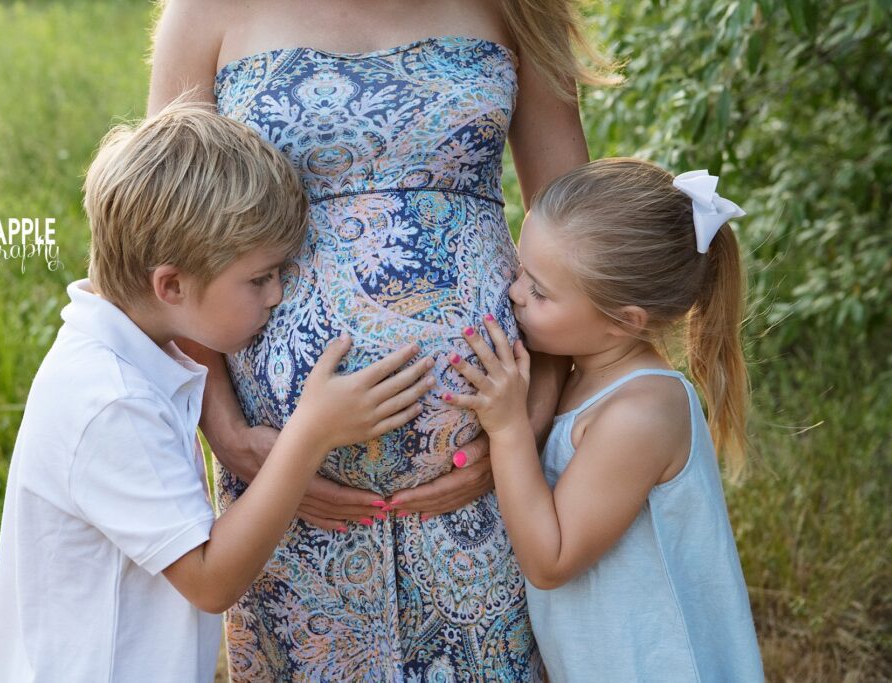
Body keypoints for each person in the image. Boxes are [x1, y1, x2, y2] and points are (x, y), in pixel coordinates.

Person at [147, 1, 616, 678]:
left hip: (485, 480)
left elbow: (576, 226)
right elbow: (169, 237)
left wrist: (526, 427)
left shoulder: (517, 6)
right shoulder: (206, 14)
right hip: (289, 485)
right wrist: (229, 434)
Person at [0, 101, 435, 682]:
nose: (274, 296)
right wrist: (311, 433)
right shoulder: (112, 399)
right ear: (171, 285)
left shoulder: (132, 356)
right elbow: (210, 580)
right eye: (259, 278)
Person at [445, 158, 766, 682]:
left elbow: (552, 561)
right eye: (521, 271)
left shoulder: (641, 413)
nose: (515, 293)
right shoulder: (585, 375)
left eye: (541, 291)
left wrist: (507, 431)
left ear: (624, 321)